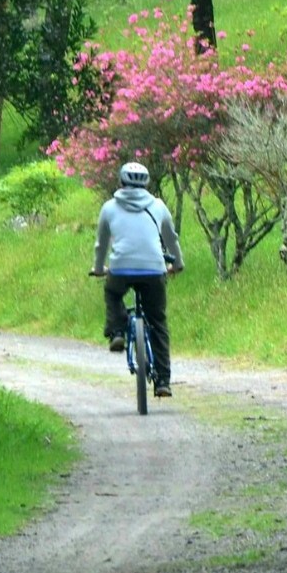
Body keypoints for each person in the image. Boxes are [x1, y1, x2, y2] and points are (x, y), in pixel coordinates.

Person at [91, 161, 183, 398]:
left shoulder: (109, 207)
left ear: (121, 182)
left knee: (112, 293)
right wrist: (177, 264)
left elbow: (101, 244)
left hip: (120, 268)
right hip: (154, 269)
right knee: (158, 323)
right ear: (147, 183)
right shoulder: (159, 206)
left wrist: (99, 268)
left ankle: (117, 332)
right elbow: (171, 239)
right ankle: (163, 381)